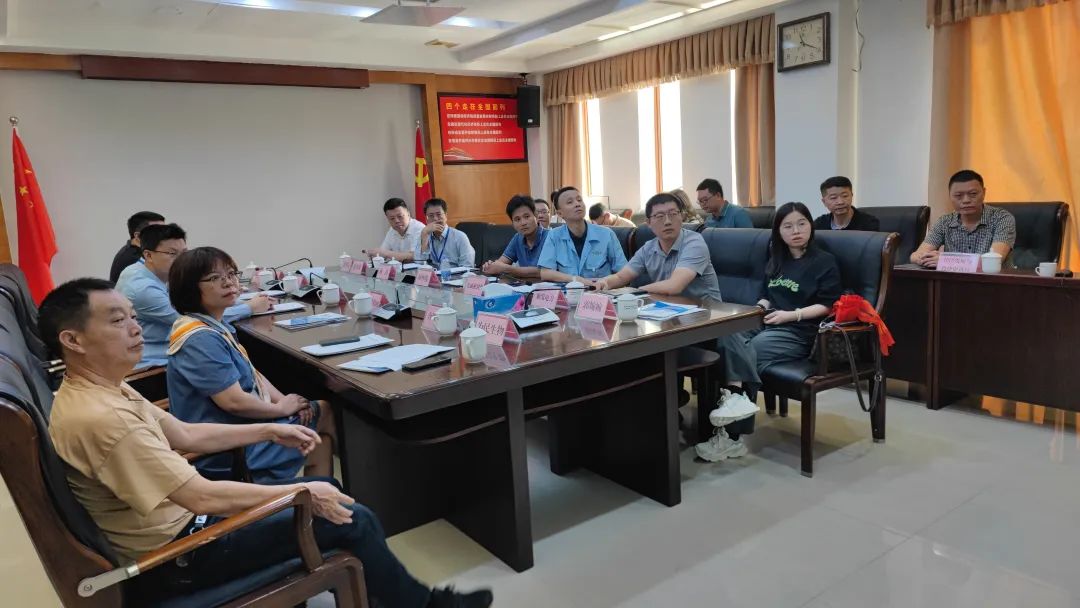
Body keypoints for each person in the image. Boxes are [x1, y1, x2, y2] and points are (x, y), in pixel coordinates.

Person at [39, 278, 492, 608]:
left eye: (134, 317)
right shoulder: (103, 419)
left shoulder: (102, 389)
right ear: (72, 340)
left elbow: (185, 433)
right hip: (180, 557)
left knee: (333, 498)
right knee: (353, 516)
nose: (136, 328)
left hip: (187, 529)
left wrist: (269, 429)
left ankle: (383, 593)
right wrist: (303, 489)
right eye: (118, 320)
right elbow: (200, 496)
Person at [595, 193, 758, 461]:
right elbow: (623, 275)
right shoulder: (648, 248)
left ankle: (731, 423)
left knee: (731, 338)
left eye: (673, 214)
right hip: (671, 323)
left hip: (707, 319)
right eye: (659, 216)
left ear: (682, 216)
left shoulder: (694, 242)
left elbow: (674, 286)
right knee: (637, 349)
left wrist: (634, 291)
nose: (667, 221)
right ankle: (664, 411)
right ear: (649, 223)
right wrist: (605, 284)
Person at [165, 246, 336, 482]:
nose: (228, 282)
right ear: (189, 289)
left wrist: (287, 402)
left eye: (231, 274)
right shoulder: (200, 339)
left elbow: (252, 373)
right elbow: (233, 402)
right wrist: (280, 409)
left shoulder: (213, 325)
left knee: (319, 441)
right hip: (228, 449)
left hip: (242, 431)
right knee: (324, 413)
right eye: (214, 278)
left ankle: (320, 498)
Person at [115, 223, 269, 368]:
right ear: (148, 255)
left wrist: (240, 299)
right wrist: (249, 307)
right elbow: (195, 320)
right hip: (156, 364)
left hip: (176, 348)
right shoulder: (142, 288)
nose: (181, 260)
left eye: (184, 253)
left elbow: (196, 303)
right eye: (172, 253)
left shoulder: (146, 270)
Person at [911, 169, 1016, 268]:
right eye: (958, 196)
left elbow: (994, 261)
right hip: (954, 280)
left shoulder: (1002, 218)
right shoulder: (944, 222)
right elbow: (915, 256)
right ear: (950, 196)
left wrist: (947, 261)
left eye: (973, 194)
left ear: (984, 193)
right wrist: (924, 258)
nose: (966, 200)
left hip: (995, 280)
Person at [537, 186, 628, 284]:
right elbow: (545, 273)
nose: (577, 204)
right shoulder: (554, 235)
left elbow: (624, 273)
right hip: (570, 291)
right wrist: (575, 279)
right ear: (560, 213)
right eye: (570, 202)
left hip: (601, 291)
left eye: (579, 200)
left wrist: (605, 284)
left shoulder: (606, 234)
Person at [482, 195, 549, 279]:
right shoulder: (518, 238)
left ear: (536, 217)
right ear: (513, 224)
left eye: (527, 217)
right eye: (517, 219)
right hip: (525, 285)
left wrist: (507, 269)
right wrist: (491, 266)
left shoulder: (550, 237)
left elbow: (544, 271)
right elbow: (501, 263)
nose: (523, 223)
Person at [414, 198, 476, 270]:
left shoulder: (460, 237)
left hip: (455, 276)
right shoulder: (425, 235)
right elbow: (418, 263)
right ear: (426, 219)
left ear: (446, 216)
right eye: (431, 216)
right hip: (432, 276)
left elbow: (468, 266)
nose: (435, 219)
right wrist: (424, 236)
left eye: (439, 214)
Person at [109, 211, 164, 283]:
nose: (164, 236)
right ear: (138, 236)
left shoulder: (133, 251)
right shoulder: (133, 259)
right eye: (157, 232)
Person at [365, 197, 425, 262]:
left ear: (408, 213)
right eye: (392, 218)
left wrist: (386, 253)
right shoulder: (392, 230)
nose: (396, 221)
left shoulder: (420, 229)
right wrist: (374, 254)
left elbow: (414, 256)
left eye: (400, 216)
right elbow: (383, 252)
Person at [813, 176, 880, 231]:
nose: (840, 202)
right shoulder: (819, 225)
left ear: (852, 196)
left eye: (845, 196)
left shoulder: (868, 223)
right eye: (833, 198)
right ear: (824, 202)